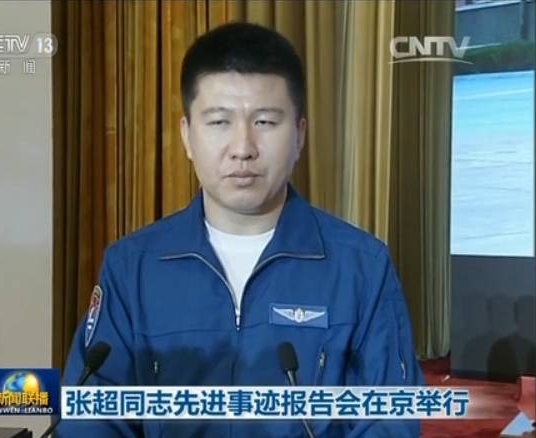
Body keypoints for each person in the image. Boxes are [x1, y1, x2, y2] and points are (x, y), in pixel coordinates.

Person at [56, 22, 425, 437]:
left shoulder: (361, 266)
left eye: (265, 122)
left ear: (300, 135)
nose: (243, 148)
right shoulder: (132, 267)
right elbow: (92, 417)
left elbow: (389, 420)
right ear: (187, 136)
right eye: (219, 122)